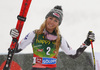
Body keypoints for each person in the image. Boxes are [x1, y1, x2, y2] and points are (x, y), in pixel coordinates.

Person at [10, 5, 95, 70]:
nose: (52, 22)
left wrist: (86, 42)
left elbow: (73, 54)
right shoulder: (35, 34)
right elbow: (16, 49)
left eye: (56, 20)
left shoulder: (59, 38)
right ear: (46, 19)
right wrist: (14, 37)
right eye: (50, 18)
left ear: (58, 23)